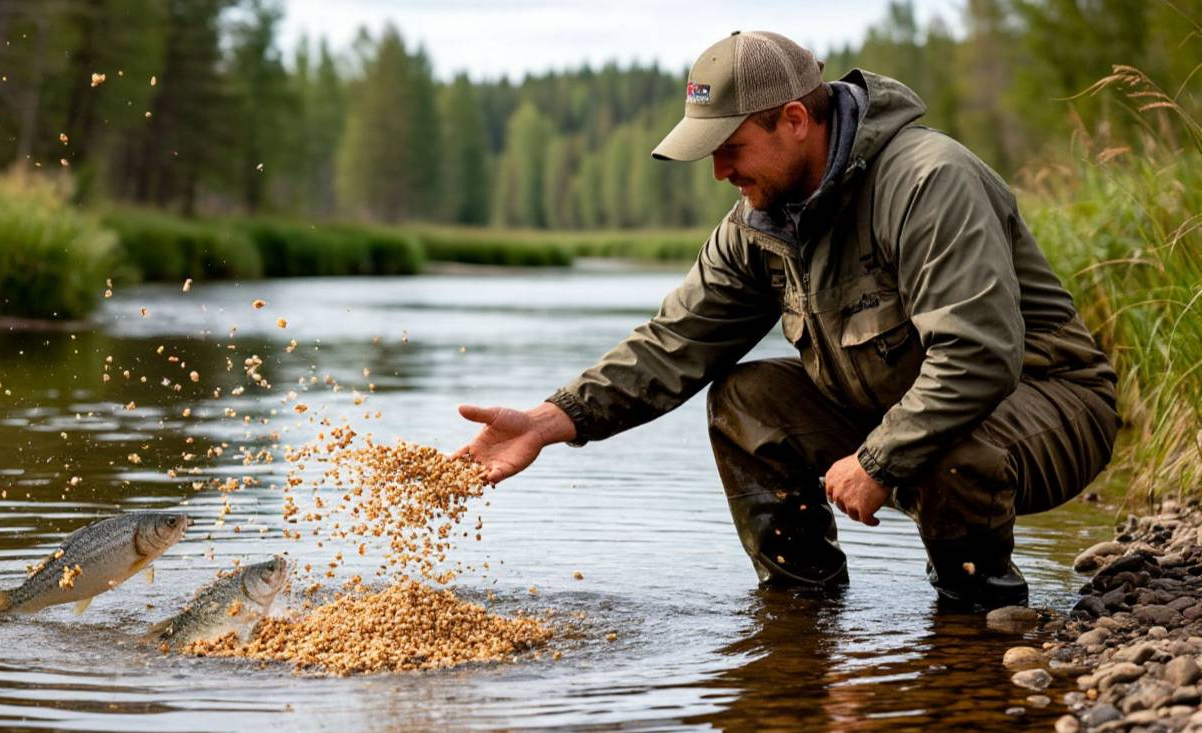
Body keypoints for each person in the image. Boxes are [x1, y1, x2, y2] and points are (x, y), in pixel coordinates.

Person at [455, 31, 1119, 609]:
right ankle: (800, 619)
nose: (718, 171)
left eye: (730, 146)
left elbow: (976, 360)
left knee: (947, 452)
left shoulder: (927, 181)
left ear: (796, 119)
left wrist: (880, 460)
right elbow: (674, 343)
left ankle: (977, 621)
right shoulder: (759, 220)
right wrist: (545, 422)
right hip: (895, 409)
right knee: (747, 402)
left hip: (1048, 403)